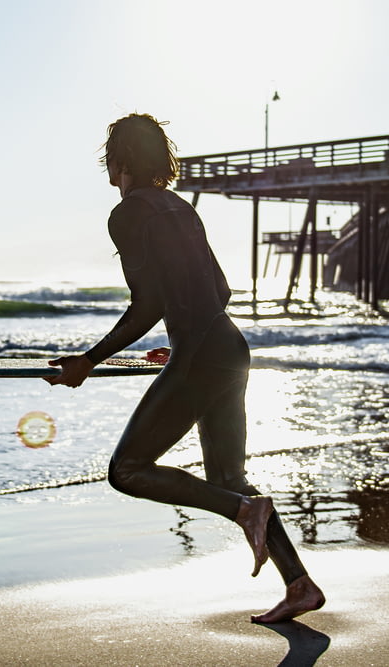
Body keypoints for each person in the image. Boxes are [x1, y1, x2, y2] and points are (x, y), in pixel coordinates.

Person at [47, 113, 324, 623]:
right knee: (227, 474)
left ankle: (245, 513)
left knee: (127, 470)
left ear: (122, 158)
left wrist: (88, 360)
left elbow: (148, 301)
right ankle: (300, 585)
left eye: (111, 154)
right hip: (228, 348)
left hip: (202, 352)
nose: (108, 165)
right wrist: (180, 346)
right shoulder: (181, 208)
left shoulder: (128, 211)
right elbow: (218, 292)